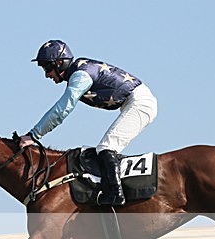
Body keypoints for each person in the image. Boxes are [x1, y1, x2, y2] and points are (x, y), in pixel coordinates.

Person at [19, 40, 158, 207]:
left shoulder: (80, 75)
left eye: (47, 68)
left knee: (106, 148)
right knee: (105, 148)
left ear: (60, 63)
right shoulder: (78, 70)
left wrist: (34, 135)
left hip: (139, 102)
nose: (46, 74)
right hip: (134, 101)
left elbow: (63, 109)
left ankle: (116, 195)